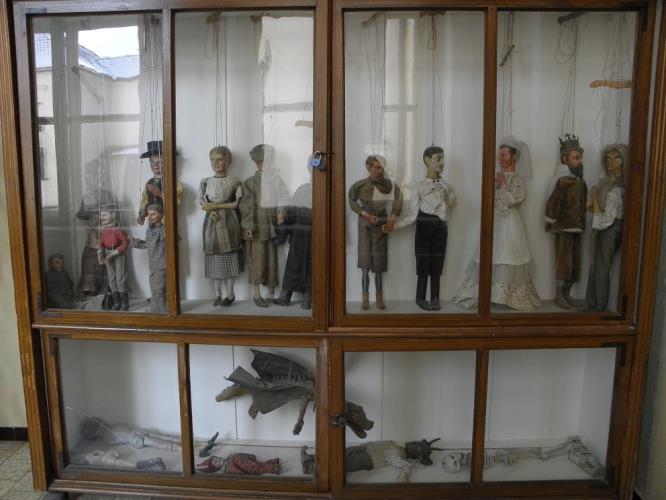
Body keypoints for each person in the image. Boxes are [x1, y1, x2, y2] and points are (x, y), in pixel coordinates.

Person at [454, 138, 541, 310]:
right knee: (490, 251)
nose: (500, 159)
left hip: (510, 222)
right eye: (499, 155)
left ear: (514, 157)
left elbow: (516, 199)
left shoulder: (517, 179)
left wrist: (502, 184)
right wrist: (496, 184)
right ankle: (489, 293)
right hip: (495, 220)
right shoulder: (498, 177)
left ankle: (506, 295)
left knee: (508, 252)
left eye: (504, 155)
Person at [404, 146, 456, 310]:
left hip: (441, 227)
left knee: (437, 262)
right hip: (424, 225)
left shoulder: (446, 185)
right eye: (438, 159)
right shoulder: (419, 186)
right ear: (427, 161)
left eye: (443, 158)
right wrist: (395, 224)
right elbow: (412, 215)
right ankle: (420, 298)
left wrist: (448, 195)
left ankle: (435, 297)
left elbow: (452, 203)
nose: (442, 162)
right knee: (423, 262)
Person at [348, 155, 402, 310]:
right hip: (365, 223)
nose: (380, 170)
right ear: (369, 167)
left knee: (379, 262)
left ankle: (379, 298)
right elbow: (351, 200)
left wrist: (393, 216)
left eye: (382, 167)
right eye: (377, 167)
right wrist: (364, 214)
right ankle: (364, 298)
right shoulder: (359, 185)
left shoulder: (388, 185)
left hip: (381, 223)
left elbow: (399, 196)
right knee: (365, 261)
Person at [545, 134, 588, 310]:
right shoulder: (563, 181)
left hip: (577, 227)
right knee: (564, 262)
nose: (579, 161)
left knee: (575, 261)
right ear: (565, 159)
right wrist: (550, 220)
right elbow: (553, 202)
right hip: (564, 227)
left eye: (580, 157)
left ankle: (567, 294)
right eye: (575, 157)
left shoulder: (580, 182)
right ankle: (559, 295)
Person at [239, 144, 286, 307]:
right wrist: (249, 225)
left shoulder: (277, 181)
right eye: (260, 162)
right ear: (256, 163)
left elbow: (284, 196)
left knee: (272, 260)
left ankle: (271, 292)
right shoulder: (250, 183)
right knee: (256, 261)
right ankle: (256, 294)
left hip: (271, 227)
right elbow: (247, 205)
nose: (263, 165)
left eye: (266, 161)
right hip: (256, 228)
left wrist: (281, 211)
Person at [583, 144, 626, 311]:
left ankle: (600, 306)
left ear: (623, 161)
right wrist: (594, 199)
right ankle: (591, 302)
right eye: (608, 159)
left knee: (602, 268)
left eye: (616, 159)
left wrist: (594, 198)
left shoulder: (618, 189)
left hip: (610, 229)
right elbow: (591, 207)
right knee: (594, 265)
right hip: (601, 226)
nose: (610, 162)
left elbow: (606, 219)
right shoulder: (605, 183)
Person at [200, 146, 243, 307]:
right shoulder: (206, 182)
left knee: (229, 258)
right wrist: (211, 211)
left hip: (228, 222)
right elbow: (202, 203)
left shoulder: (234, 181)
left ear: (228, 161)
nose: (216, 163)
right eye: (212, 160)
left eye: (220, 159)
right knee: (213, 259)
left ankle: (230, 294)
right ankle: (218, 294)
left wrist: (216, 207)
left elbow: (236, 204)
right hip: (211, 223)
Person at [272, 163, 312, 310]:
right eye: (311, 169)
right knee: (293, 264)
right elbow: (293, 210)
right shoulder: (302, 189)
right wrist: (283, 214)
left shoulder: (327, 189)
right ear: (309, 170)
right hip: (299, 233)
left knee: (312, 266)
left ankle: (307, 299)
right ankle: (285, 296)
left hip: (317, 234)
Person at [137, 140, 182, 226]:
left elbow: (176, 202)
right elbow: (144, 201)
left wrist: (160, 194)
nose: (155, 165)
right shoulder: (149, 183)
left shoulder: (173, 183)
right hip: (152, 223)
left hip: (167, 224)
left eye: (159, 162)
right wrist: (142, 215)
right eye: (153, 162)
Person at [132, 204, 167, 313]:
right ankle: (155, 310)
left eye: (153, 214)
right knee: (154, 289)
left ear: (161, 214)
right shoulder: (149, 229)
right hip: (153, 264)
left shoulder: (165, 229)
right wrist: (134, 242)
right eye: (149, 214)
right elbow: (148, 245)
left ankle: (161, 313)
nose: (150, 217)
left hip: (162, 264)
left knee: (159, 290)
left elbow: (175, 240)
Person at [97, 204, 130, 311]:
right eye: (101, 215)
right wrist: (100, 252)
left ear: (113, 215)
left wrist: (114, 253)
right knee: (112, 279)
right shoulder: (105, 230)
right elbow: (102, 242)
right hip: (107, 255)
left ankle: (124, 304)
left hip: (118, 255)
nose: (102, 217)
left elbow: (125, 243)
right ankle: (117, 303)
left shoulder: (118, 229)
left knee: (120, 279)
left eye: (105, 215)